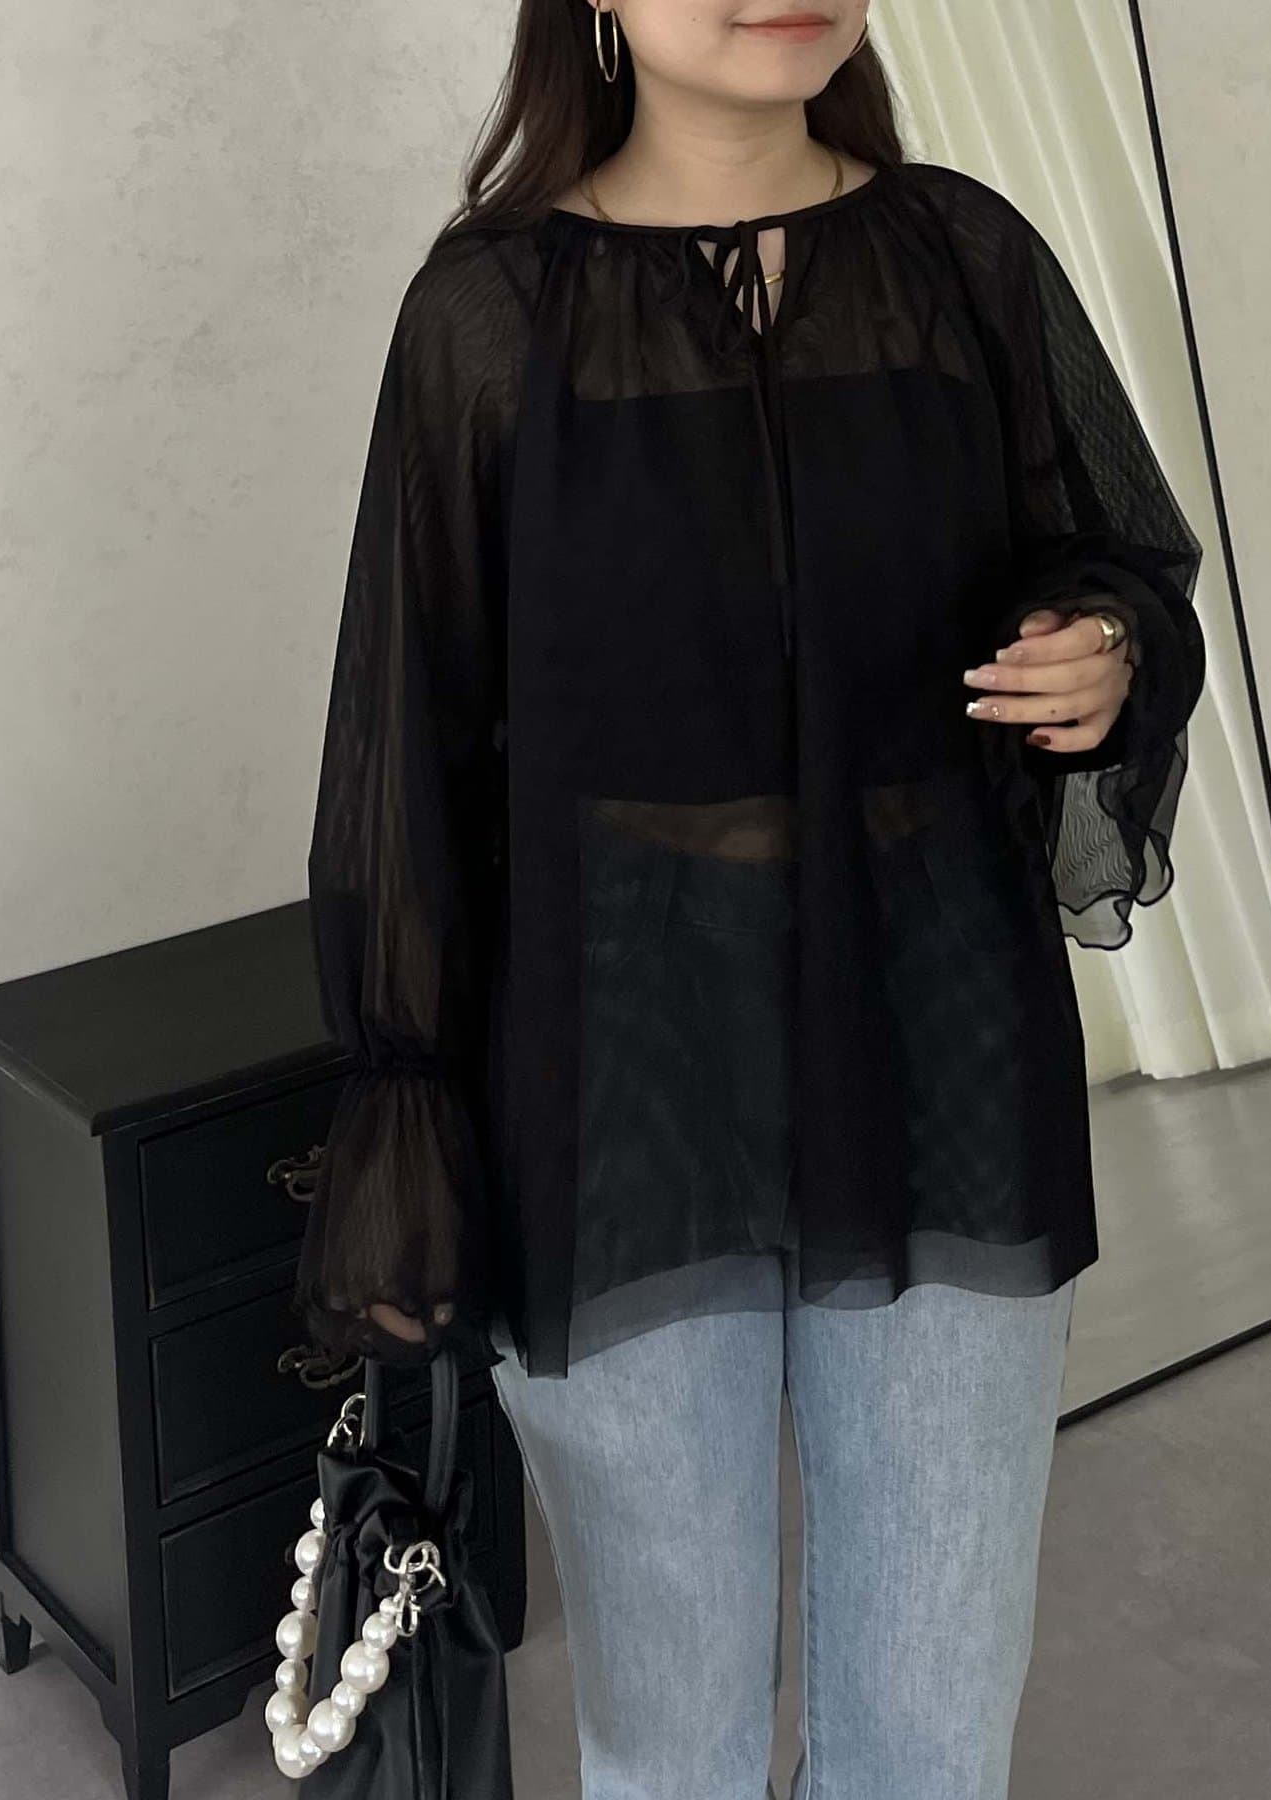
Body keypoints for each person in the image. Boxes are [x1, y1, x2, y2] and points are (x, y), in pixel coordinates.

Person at [294, 2, 1206, 1794]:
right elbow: (409, 746)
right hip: (621, 1086)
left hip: (941, 1049)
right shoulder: (487, 314)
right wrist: (411, 1112)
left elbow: (1113, 554)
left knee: (934, 1723)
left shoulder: (964, 256)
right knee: (671, 1733)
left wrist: (1108, 648)